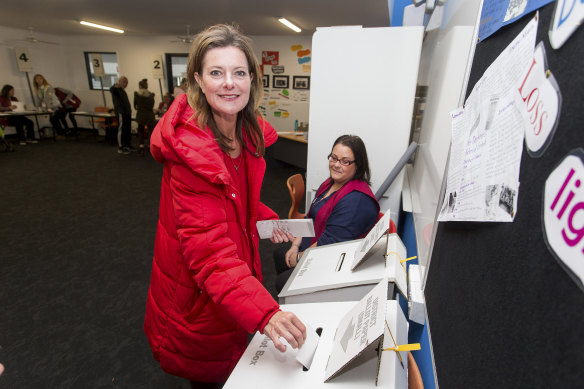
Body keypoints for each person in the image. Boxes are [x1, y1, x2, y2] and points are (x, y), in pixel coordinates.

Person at [144, 24, 306, 388]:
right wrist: (266, 313)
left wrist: (272, 222)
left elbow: (236, 204)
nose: (229, 83)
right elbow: (210, 255)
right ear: (198, 80)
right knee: (214, 378)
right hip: (198, 298)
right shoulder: (191, 154)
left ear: (252, 79)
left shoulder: (245, 134)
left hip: (231, 288)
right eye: (216, 72)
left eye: (239, 72)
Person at [273, 135, 380, 293]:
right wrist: (295, 245)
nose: (336, 165)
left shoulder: (356, 201)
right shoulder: (330, 183)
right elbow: (310, 217)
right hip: (316, 243)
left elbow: (329, 244)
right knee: (279, 254)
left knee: (282, 282)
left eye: (345, 161)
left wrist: (298, 257)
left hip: (332, 258)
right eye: (334, 158)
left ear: (358, 165)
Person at [32, 74, 67, 140]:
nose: (39, 80)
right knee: (53, 120)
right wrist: (37, 108)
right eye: (37, 79)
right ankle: (60, 134)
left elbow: (48, 98)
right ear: (35, 81)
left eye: (40, 78)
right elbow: (38, 99)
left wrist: (50, 108)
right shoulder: (38, 89)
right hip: (48, 107)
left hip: (55, 106)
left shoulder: (48, 87)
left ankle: (61, 134)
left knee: (54, 119)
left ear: (43, 79)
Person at [109, 76, 133, 154]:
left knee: (127, 129)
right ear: (119, 82)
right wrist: (114, 86)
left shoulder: (123, 91)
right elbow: (111, 90)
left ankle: (126, 145)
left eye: (126, 82)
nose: (125, 84)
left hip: (127, 113)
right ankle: (121, 147)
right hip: (121, 112)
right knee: (121, 129)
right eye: (124, 82)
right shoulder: (116, 89)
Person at [133, 79, 156, 156]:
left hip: (141, 115)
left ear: (140, 86)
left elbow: (135, 106)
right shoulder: (151, 95)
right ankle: (150, 147)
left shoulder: (137, 95)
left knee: (141, 131)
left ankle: (141, 147)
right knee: (150, 132)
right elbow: (152, 105)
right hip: (149, 115)